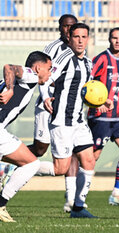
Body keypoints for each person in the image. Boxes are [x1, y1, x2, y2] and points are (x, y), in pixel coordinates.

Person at [39, 23, 108, 218]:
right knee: (60, 168)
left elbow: (85, 92)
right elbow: (45, 79)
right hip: (61, 121)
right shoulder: (63, 59)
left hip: (78, 121)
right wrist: (45, 96)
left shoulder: (88, 63)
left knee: (89, 161)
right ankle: (15, 167)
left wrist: (101, 102)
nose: (80, 40)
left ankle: (78, 207)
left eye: (83, 37)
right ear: (69, 38)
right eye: (76, 36)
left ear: (88, 39)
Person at [27, 14, 82, 213]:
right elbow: (43, 75)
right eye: (66, 26)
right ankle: (11, 162)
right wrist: (46, 97)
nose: (69, 30)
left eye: (72, 26)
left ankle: (72, 199)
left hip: (68, 110)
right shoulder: (52, 48)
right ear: (60, 28)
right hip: (47, 106)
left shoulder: (79, 50)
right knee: (40, 149)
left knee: (73, 150)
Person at [0, 51, 52, 222]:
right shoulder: (30, 76)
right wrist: (9, 89)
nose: (50, 73)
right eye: (49, 68)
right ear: (38, 68)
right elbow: (9, 67)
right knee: (31, 164)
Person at [88, 27, 119, 209]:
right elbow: (87, 81)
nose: (117, 41)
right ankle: (75, 197)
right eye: (114, 38)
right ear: (109, 39)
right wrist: (94, 103)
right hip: (100, 116)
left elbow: (117, 83)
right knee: (92, 158)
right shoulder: (101, 59)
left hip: (118, 116)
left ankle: (116, 194)